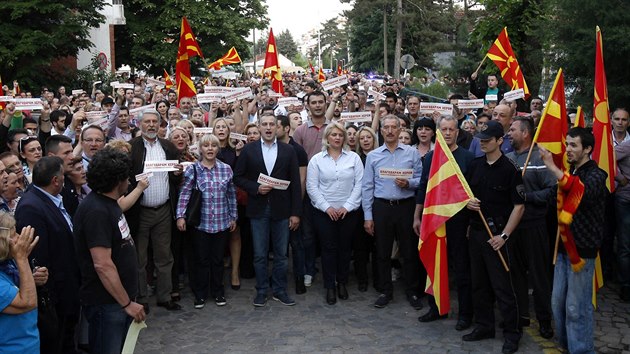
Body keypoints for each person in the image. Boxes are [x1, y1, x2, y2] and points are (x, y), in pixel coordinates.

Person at [539, 128, 609, 353]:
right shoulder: (570, 173)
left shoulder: (597, 175)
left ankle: (581, 350)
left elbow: (582, 194)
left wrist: (552, 168)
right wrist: (521, 196)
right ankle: (567, 347)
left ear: (587, 149)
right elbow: (550, 195)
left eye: (573, 145)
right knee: (557, 304)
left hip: (582, 252)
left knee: (576, 308)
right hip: (562, 249)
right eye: (567, 144)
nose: (567, 149)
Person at [74, 148, 146, 354]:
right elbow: (102, 264)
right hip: (108, 304)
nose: (130, 181)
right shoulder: (96, 211)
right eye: (126, 177)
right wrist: (126, 304)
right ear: (117, 181)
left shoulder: (109, 203)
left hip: (117, 302)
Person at [463, 120, 524, 354]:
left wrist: (504, 236)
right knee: (479, 285)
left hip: (499, 236)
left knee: (503, 288)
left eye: (488, 140)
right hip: (477, 233)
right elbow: (467, 195)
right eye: (481, 139)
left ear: (500, 141)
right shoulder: (476, 165)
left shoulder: (510, 169)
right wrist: (468, 203)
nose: (483, 142)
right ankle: (484, 326)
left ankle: (512, 333)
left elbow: (519, 207)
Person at [234, 114, 302, 307]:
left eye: (272, 124)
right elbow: (237, 177)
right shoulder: (249, 150)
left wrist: (296, 212)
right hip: (258, 208)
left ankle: (279, 290)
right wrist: (255, 187)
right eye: (265, 124)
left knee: (281, 254)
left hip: (282, 209)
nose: (269, 127)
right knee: (260, 253)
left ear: (278, 127)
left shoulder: (288, 150)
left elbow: (296, 184)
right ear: (259, 127)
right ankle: (262, 290)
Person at [15, 156, 81, 354]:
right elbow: (38, 257)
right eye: (63, 175)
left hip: (67, 289)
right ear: (55, 180)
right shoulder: (31, 208)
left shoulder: (49, 199)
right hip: (55, 298)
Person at [414, 115, 474, 331]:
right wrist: (417, 216)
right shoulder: (430, 158)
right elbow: (423, 188)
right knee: (435, 264)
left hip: (460, 221)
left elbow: (473, 193)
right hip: (435, 220)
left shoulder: (468, 157)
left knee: (462, 268)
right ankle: (436, 307)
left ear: (457, 132)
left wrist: (471, 223)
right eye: (444, 129)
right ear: (438, 132)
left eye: (451, 129)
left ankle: (466, 313)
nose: (448, 133)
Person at [362, 114, 423, 310]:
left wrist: (409, 183)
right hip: (382, 207)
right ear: (381, 131)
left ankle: (412, 291)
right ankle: (385, 290)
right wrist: (368, 216)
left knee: (409, 251)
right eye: (385, 127)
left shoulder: (411, 153)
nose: (389, 131)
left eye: (393, 127)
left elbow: (421, 180)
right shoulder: (373, 156)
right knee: (382, 251)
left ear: (399, 130)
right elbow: (367, 187)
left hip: (405, 206)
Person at [127, 109, 183, 313]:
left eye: (155, 122)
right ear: (140, 124)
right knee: (140, 258)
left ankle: (165, 296)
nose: (151, 125)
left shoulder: (168, 147)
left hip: (163, 210)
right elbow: (126, 178)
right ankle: (142, 299)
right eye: (147, 122)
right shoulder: (131, 147)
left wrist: (178, 173)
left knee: (164, 256)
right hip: (140, 211)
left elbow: (175, 180)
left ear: (160, 125)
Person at [505, 117, 556, 338]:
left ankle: (544, 320)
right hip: (512, 226)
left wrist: (528, 197)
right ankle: (521, 315)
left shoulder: (540, 157)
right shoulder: (507, 159)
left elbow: (552, 191)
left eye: (513, 129)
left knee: (539, 276)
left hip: (534, 224)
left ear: (525, 133)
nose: (509, 133)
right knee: (515, 274)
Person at [176, 134, 237, 309]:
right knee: (201, 259)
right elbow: (185, 194)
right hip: (200, 223)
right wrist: (180, 215)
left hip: (221, 221)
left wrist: (233, 216)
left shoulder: (226, 169)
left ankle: (218, 292)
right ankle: (200, 294)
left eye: (214, 146)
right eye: (206, 146)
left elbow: (231, 195)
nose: (210, 149)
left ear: (218, 149)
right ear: (200, 149)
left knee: (218, 260)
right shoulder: (193, 169)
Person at [307, 122, 363, 305]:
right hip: (324, 213)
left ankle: (342, 282)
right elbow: (312, 187)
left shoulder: (353, 158)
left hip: (348, 212)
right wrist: (327, 207)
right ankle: (330, 285)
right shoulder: (316, 160)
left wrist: (347, 206)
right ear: (327, 138)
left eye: (340, 135)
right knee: (328, 249)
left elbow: (359, 185)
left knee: (345, 249)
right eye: (334, 135)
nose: (337, 138)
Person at [276, 115, 308, 295]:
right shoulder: (270, 147)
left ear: (287, 128)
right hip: (276, 203)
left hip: (293, 203)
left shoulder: (298, 150)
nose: (273, 128)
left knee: (297, 244)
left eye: (277, 126)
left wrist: (297, 207)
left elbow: (301, 180)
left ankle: (299, 278)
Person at [0, 215, 41, 353]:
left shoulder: (8, 263)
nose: (18, 238)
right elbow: (28, 303)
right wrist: (22, 259)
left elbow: (20, 288)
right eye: (13, 234)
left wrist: (32, 277)